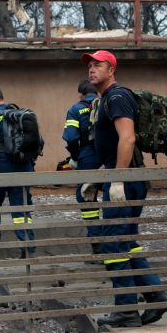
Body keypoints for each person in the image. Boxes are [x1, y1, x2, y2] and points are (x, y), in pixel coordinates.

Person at [80, 50, 167, 328]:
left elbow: (128, 138)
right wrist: (100, 176)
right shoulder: (105, 99)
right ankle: (155, 295)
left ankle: (126, 310)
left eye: (98, 65)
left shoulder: (118, 97)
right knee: (126, 241)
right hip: (121, 176)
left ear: (112, 70)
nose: (92, 70)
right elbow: (111, 147)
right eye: (90, 66)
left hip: (126, 180)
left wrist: (118, 179)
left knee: (113, 244)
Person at [0, 85, 35, 255]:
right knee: (21, 209)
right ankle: (28, 247)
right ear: (1, 97)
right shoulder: (21, 115)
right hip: (23, 169)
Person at [63, 80, 101, 254]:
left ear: (81, 94)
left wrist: (75, 156)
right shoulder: (106, 103)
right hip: (111, 156)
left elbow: (71, 137)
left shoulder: (76, 109)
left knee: (85, 196)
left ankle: (97, 245)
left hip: (88, 156)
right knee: (112, 192)